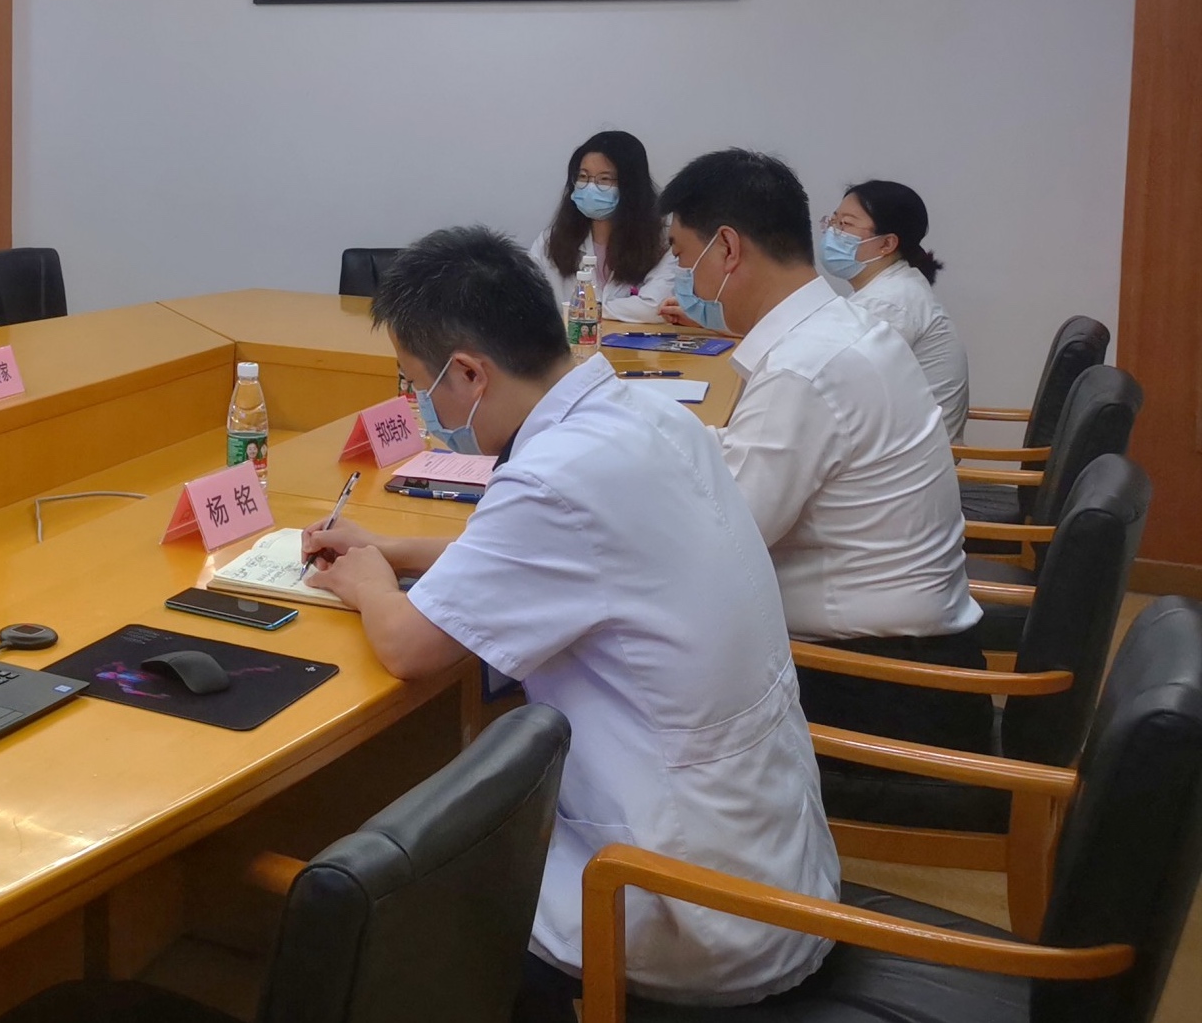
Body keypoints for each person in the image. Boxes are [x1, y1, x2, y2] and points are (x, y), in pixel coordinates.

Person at [302, 226, 836, 1016]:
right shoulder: (642, 415)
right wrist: (393, 547)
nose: (422, 408)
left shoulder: (556, 476)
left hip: (677, 895)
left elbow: (412, 647)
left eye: (418, 385)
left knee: (390, 908)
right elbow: (560, 554)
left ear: (469, 373)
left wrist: (370, 583)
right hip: (767, 857)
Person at [658, 150, 984, 744]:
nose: (682, 273)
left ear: (727, 248)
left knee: (621, 676)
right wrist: (658, 438)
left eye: (681, 254)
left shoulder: (805, 367)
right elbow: (753, 456)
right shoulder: (840, 330)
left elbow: (722, 544)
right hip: (903, 656)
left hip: (877, 689)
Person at [823, 180, 970, 443]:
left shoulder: (890, 302)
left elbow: (842, 388)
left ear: (887, 243)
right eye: (832, 221)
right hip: (899, 442)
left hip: (910, 456)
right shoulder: (890, 288)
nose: (832, 232)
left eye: (845, 224)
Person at [527, 130, 679, 323]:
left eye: (604, 179)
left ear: (631, 186)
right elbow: (527, 300)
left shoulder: (663, 240)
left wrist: (584, 311)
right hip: (571, 342)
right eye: (583, 177)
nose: (590, 187)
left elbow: (656, 307)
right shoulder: (550, 242)